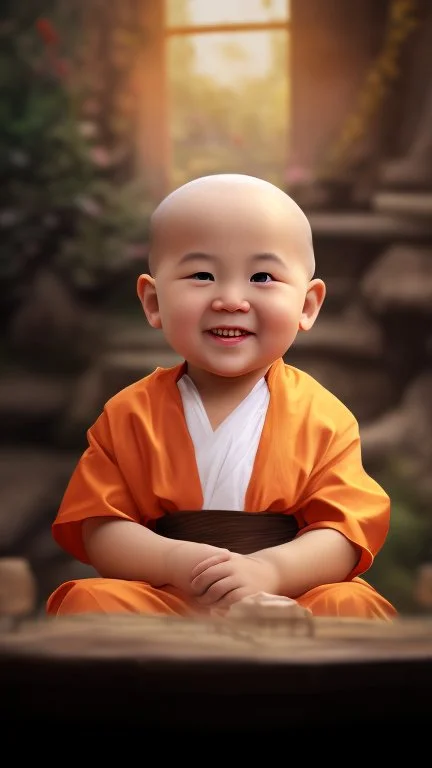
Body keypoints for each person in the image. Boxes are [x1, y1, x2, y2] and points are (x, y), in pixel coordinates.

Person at [46, 173, 397, 621]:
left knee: (351, 605)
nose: (231, 299)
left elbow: (345, 532)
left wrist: (267, 571)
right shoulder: (130, 412)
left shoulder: (323, 417)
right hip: (170, 596)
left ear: (307, 305)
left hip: (285, 597)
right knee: (91, 602)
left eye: (263, 276)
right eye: (202, 275)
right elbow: (101, 527)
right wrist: (184, 565)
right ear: (153, 301)